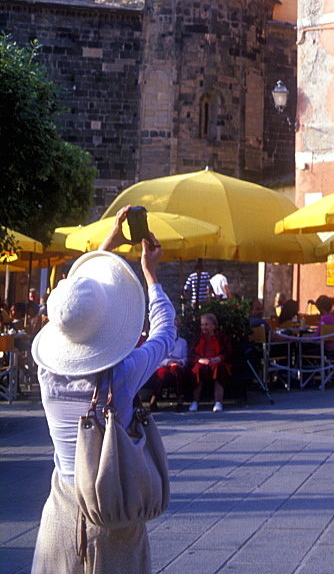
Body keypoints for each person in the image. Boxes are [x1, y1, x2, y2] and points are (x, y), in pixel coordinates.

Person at [30, 205, 175, 574]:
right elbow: (165, 333)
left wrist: (104, 247)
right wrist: (150, 275)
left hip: (62, 515)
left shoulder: (46, 372)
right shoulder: (122, 374)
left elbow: (71, 305)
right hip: (113, 512)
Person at [188, 313, 231, 413]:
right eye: (202, 325)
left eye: (206, 325)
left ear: (214, 326)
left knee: (219, 368)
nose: (204, 327)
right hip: (202, 361)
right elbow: (191, 353)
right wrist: (199, 359)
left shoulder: (221, 337)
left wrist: (218, 358)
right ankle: (195, 401)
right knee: (198, 369)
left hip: (216, 362)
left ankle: (218, 402)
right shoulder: (197, 338)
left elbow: (228, 352)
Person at [149, 316, 188, 413]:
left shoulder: (182, 342)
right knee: (163, 373)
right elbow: (156, 357)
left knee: (176, 370)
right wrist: (168, 362)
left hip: (176, 366)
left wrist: (180, 362)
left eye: (176, 326)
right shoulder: (160, 341)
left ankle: (179, 399)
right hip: (162, 365)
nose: (174, 329)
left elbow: (185, 357)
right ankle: (154, 399)